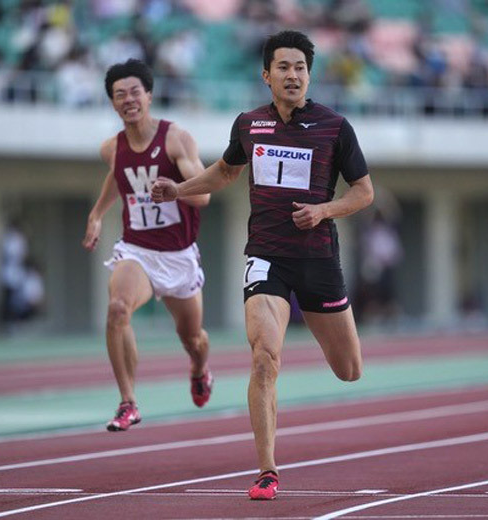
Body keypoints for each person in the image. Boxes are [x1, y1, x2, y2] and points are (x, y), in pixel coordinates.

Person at [151, 30, 374, 500]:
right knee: (264, 357)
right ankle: (267, 470)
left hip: (318, 261)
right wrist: (179, 189)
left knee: (349, 369)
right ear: (266, 75)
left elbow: (363, 192)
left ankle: (325, 335)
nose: (292, 75)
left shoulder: (335, 126)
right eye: (284, 67)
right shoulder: (250, 125)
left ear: (309, 75)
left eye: (300, 68)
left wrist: (324, 210)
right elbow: (226, 171)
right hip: (266, 258)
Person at [82, 58, 213, 432]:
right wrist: (96, 214)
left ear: (149, 95)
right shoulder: (112, 148)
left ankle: (200, 369)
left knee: (193, 338)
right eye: (119, 94)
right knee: (117, 309)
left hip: (179, 256)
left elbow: (203, 195)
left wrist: (175, 191)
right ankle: (128, 402)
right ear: (112, 102)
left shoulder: (176, 139)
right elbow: (117, 178)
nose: (128, 99)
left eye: (134, 91)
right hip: (137, 250)